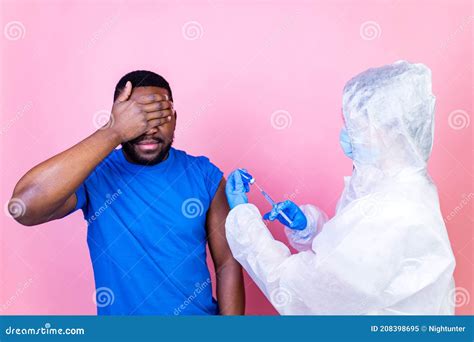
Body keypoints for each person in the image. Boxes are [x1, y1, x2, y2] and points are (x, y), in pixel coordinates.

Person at [225, 61, 456, 315]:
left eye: (355, 126)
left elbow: (304, 292)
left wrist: (243, 219)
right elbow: (355, 259)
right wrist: (309, 229)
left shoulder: (394, 210)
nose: (347, 133)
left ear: (387, 132)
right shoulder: (395, 184)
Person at [9, 70, 244, 315]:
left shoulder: (205, 175)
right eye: (138, 118)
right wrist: (113, 132)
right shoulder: (96, 174)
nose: (149, 129)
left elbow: (227, 262)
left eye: (159, 116)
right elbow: (23, 207)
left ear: (175, 117)